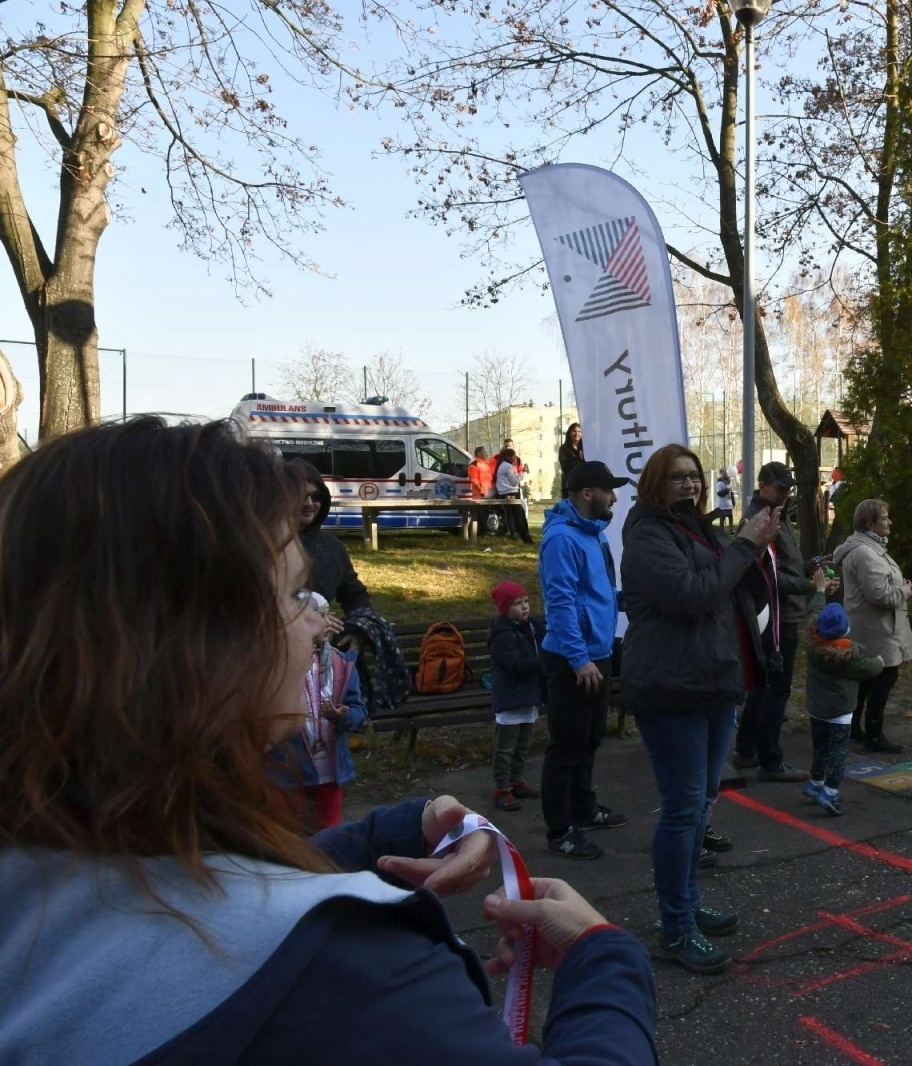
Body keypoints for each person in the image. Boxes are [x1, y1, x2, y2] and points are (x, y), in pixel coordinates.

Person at [0, 417, 657, 1064]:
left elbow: (181, 887)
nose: (319, 625)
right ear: (196, 643)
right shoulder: (352, 971)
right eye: (295, 594)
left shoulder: (52, 868)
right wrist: (601, 956)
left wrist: (385, 836)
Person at [620, 443, 781, 975]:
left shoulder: (697, 529)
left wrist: (755, 551)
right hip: (672, 689)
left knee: (701, 805)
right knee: (683, 808)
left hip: (713, 682)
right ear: (655, 484)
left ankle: (688, 903)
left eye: (693, 476)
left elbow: (729, 592)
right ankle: (675, 926)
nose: (689, 484)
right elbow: (691, 596)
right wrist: (744, 545)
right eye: (677, 478)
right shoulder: (647, 535)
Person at [538, 460, 633, 860]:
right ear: (586, 493)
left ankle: (583, 807)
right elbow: (560, 603)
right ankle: (560, 830)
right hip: (572, 661)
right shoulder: (562, 539)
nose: (614, 497)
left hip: (599, 653)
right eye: (608, 490)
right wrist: (578, 660)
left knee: (590, 738)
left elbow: (596, 593)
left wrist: (627, 602)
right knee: (566, 745)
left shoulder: (593, 534)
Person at [731, 461, 813, 782]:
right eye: (780, 488)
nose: (785, 493)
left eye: (788, 488)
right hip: (775, 617)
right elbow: (768, 577)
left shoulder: (777, 515)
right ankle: (770, 760)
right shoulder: (759, 520)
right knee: (775, 688)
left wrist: (809, 567)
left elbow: (783, 567)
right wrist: (809, 585)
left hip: (778, 613)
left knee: (764, 685)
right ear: (763, 484)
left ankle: (747, 750)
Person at [834, 498, 912, 755]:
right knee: (884, 675)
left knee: (868, 678)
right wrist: (905, 591)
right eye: (884, 518)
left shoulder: (870, 547)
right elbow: (879, 594)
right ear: (869, 523)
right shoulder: (865, 552)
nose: (889, 522)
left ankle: (854, 728)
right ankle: (873, 733)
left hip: (873, 625)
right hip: (875, 627)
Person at [281, 591, 368, 831]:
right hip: (289, 773)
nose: (328, 622)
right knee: (289, 834)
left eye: (328, 615)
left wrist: (344, 716)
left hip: (330, 772)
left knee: (329, 834)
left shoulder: (341, 664)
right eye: (321, 616)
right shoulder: (278, 665)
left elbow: (360, 714)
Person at [802, 570, 884, 816]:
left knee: (820, 747)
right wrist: (880, 661)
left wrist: (820, 590)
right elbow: (871, 668)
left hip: (816, 708)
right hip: (839, 712)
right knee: (838, 752)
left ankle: (815, 782)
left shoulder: (813, 640)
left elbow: (815, 610)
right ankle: (830, 791)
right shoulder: (847, 657)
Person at [289, 460, 373, 622]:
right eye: (300, 496)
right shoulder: (262, 545)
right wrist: (311, 619)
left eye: (316, 497)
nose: (309, 504)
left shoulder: (331, 546)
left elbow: (355, 595)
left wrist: (357, 629)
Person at [489, 580, 545, 813]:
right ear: (505, 608)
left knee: (523, 744)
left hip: (529, 695)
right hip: (511, 696)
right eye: (517, 603)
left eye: (526, 601)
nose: (524, 607)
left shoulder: (531, 627)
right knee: (506, 746)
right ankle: (502, 788)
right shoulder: (502, 634)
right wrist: (542, 662)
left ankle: (516, 781)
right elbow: (515, 665)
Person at [495, 446, 534, 545]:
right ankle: (525, 537)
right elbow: (514, 481)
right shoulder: (508, 466)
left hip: (503, 493)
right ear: (509, 457)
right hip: (511, 493)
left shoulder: (501, 465)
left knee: (510, 515)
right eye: (514, 456)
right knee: (520, 516)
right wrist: (523, 472)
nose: (515, 458)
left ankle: (514, 534)